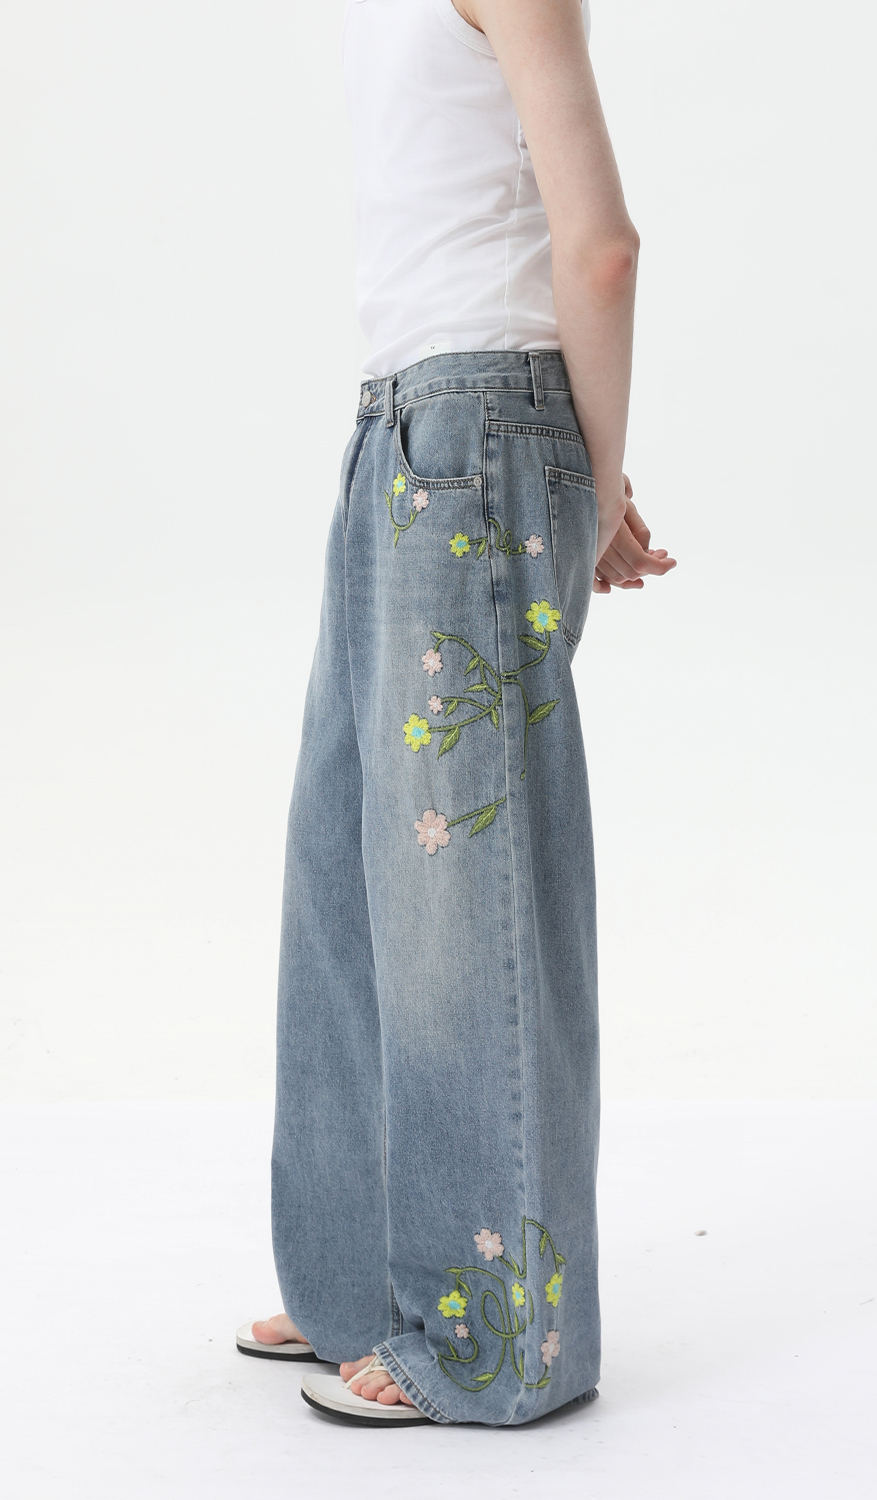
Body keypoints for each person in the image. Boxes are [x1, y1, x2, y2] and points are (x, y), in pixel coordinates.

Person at [237, 0, 675, 1426]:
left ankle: (498, 1344)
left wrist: (588, 484)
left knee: (460, 898)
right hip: (401, 428)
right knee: (347, 874)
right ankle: (359, 1284)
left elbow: (600, 247)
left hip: (475, 428)